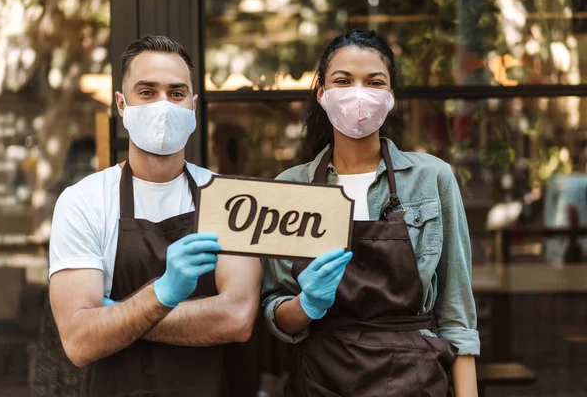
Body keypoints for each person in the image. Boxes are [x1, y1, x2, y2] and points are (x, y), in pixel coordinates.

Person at [262, 29, 479, 396]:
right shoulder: (289, 187)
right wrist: (307, 303)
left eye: (374, 82)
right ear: (322, 94)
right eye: (343, 81)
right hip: (321, 378)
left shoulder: (433, 179)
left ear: (390, 96)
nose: (358, 93)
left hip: (416, 380)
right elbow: (274, 311)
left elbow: (456, 314)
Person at [49, 35, 261, 396]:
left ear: (193, 105)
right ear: (121, 103)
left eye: (176, 93)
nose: (163, 105)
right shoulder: (84, 201)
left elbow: (236, 318)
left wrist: (124, 313)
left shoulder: (231, 199)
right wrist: (164, 293)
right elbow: (80, 341)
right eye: (146, 92)